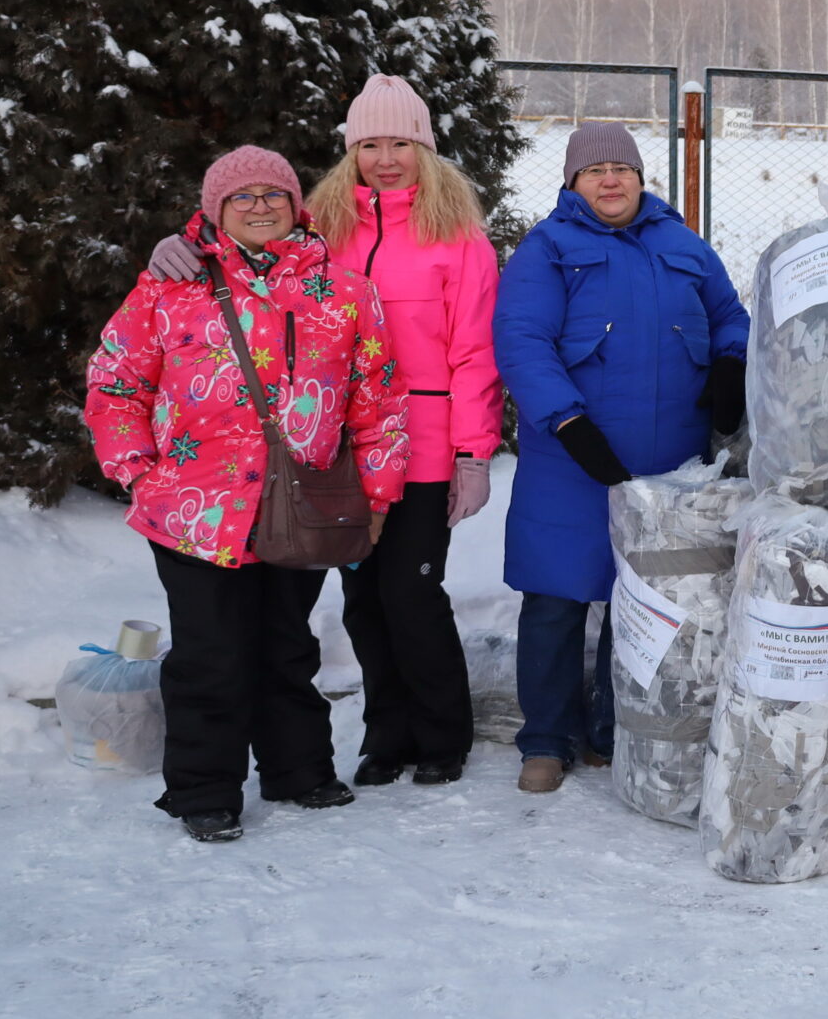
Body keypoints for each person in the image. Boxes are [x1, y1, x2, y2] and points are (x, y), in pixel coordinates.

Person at [153, 76, 502, 786]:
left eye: (399, 142)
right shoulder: (325, 228)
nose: (385, 158)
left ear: (424, 148)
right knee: (363, 600)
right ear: (351, 152)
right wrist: (175, 247)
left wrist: (472, 453)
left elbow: (474, 353)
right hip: (338, 451)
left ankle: (442, 735)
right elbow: (239, 244)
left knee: (412, 592)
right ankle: (387, 735)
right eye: (369, 144)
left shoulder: (457, 239)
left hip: (427, 445)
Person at [86, 146, 410, 843]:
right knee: (211, 651)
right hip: (192, 508)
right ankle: (204, 789)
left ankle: (298, 770)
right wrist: (139, 473)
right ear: (215, 208)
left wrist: (379, 494)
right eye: (243, 196)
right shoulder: (170, 284)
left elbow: (377, 399)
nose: (260, 205)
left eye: (274, 193)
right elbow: (115, 382)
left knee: (288, 646)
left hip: (302, 502)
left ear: (298, 205)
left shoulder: (344, 291)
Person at [492, 122, 749, 795]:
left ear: (640, 177)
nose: (611, 180)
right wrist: (567, 421)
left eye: (622, 168)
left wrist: (731, 365)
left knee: (643, 600)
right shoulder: (548, 249)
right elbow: (522, 340)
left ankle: (613, 728)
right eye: (594, 169)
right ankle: (546, 739)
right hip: (572, 461)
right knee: (556, 599)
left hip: (669, 470)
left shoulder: (682, 243)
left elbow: (731, 316)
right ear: (573, 182)